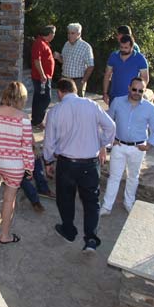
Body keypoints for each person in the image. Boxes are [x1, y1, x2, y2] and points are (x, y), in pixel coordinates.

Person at [43, 78, 116, 252]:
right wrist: (102, 143)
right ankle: (90, 239)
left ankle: (68, 231)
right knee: (91, 201)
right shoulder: (91, 105)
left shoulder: (55, 111)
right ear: (75, 90)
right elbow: (111, 126)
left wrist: (48, 161)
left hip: (66, 164)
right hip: (90, 164)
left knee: (65, 199)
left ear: (60, 92)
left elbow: (49, 142)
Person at [100, 77, 154, 215]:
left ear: (144, 91)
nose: (137, 92)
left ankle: (128, 203)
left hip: (138, 148)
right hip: (119, 146)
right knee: (114, 177)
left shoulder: (150, 108)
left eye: (140, 90)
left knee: (133, 177)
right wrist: (110, 140)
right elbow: (108, 121)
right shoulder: (118, 102)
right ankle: (107, 206)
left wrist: (149, 144)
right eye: (134, 89)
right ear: (129, 88)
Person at [0, 82, 35, 244]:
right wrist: (29, 167)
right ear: (22, 99)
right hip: (14, 166)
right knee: (9, 199)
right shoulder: (24, 118)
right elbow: (27, 147)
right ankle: (4, 235)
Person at [101, 35, 149, 105]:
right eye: (121, 47)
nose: (123, 50)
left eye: (126, 48)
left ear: (132, 47)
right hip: (114, 96)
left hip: (131, 97)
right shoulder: (113, 56)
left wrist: (138, 93)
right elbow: (107, 75)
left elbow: (145, 78)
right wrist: (105, 93)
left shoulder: (140, 59)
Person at [56, 23, 94, 96]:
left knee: (77, 104)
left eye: (72, 33)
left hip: (78, 80)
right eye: (68, 33)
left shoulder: (86, 47)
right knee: (64, 104)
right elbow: (63, 61)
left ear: (79, 34)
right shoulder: (66, 44)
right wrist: (59, 57)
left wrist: (83, 81)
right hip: (65, 79)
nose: (69, 35)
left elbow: (91, 66)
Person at [30, 25, 57, 127]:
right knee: (46, 98)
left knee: (39, 98)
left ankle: (36, 120)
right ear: (50, 34)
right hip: (41, 78)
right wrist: (42, 75)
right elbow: (37, 60)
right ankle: (38, 120)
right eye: (54, 33)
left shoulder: (43, 43)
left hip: (43, 77)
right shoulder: (39, 43)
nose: (54, 36)